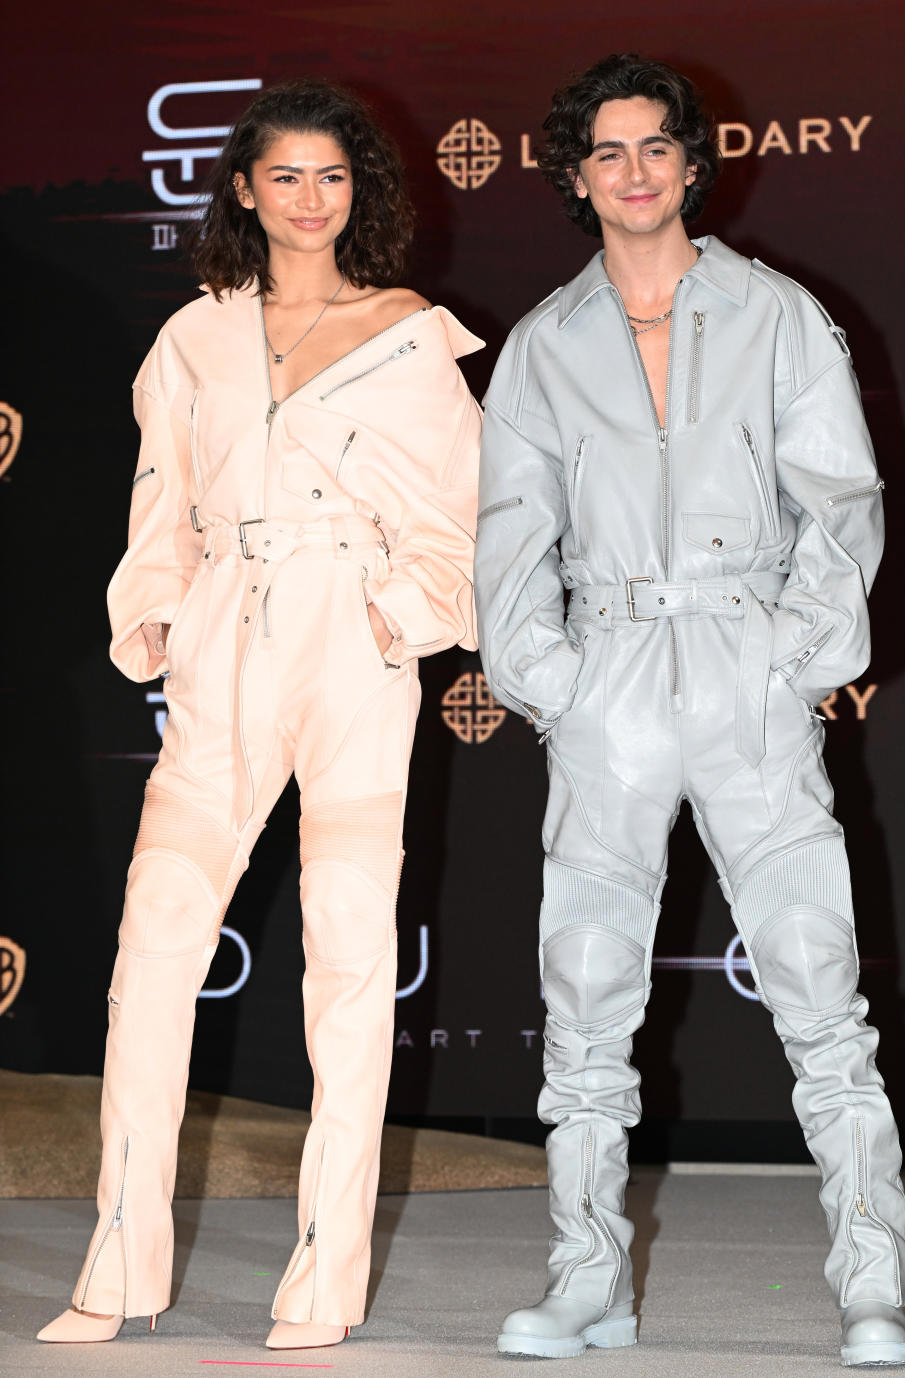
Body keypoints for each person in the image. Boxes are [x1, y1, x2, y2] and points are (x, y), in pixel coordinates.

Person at [474, 54, 905, 1368]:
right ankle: (586, 1277)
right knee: (588, 990)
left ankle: (871, 1281)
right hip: (609, 672)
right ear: (575, 174)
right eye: (605, 152)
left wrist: (792, 652)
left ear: (687, 160)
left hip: (746, 668)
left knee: (819, 985)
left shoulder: (776, 313)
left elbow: (844, 500)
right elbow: (508, 537)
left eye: (652, 146)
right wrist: (552, 680)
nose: (633, 170)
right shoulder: (546, 345)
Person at [38, 79, 482, 1350]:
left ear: (360, 194)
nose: (308, 198)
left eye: (331, 177)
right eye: (284, 175)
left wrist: (401, 612)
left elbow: (459, 509)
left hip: (354, 641)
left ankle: (325, 1285)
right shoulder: (194, 340)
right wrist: (162, 615)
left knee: (346, 962)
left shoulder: (410, 334)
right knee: (152, 955)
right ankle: (116, 1269)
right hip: (226, 637)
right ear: (242, 187)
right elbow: (158, 498)